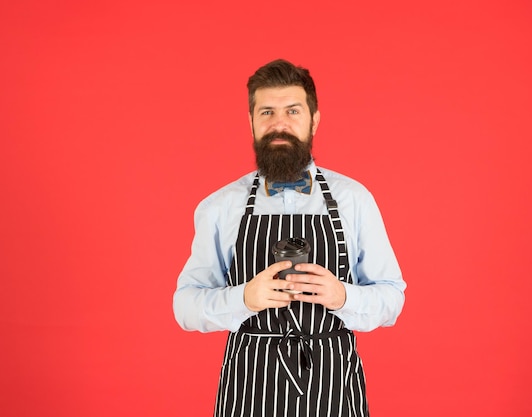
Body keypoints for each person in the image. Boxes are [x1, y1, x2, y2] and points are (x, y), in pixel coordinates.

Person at [173, 59, 406, 417]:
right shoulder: (220, 206)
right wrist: (244, 298)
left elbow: (392, 296)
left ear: (314, 120)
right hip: (249, 388)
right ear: (251, 122)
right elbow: (185, 306)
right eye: (266, 111)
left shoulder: (354, 199)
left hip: (332, 387)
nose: (278, 123)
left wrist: (343, 296)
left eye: (292, 110)